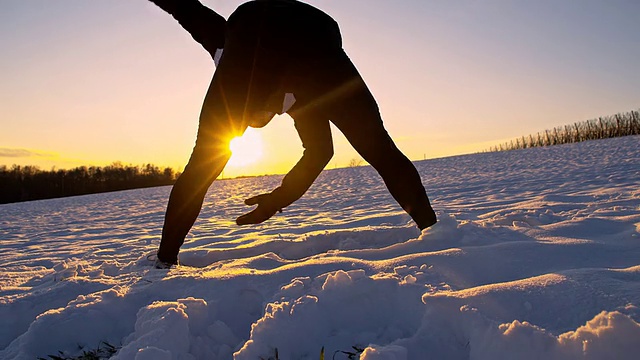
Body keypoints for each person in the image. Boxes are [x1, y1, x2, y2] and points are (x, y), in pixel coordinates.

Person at [148, 0, 437, 268]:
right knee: (379, 148)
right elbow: (320, 152)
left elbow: (184, 7)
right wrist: (278, 199)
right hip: (315, 34)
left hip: (300, 36)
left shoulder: (230, 56)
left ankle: (164, 261)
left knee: (204, 163)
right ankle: (435, 233)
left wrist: (278, 199)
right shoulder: (306, 101)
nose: (253, 119)